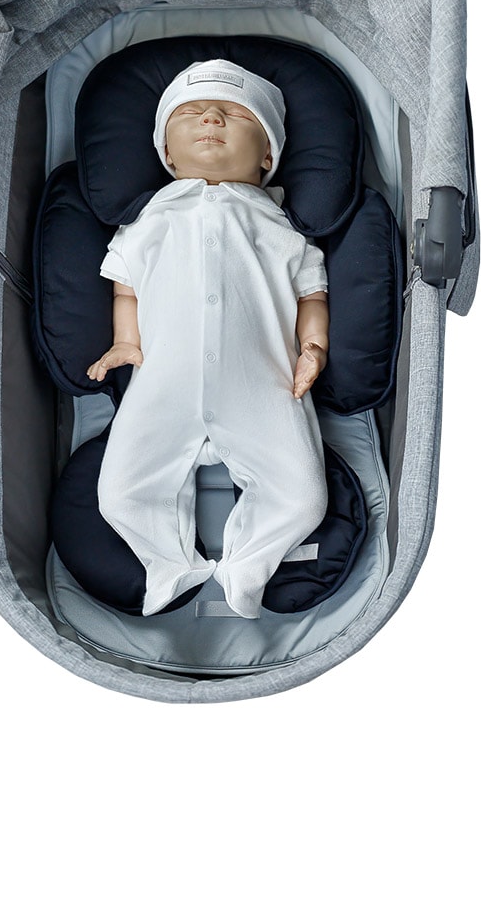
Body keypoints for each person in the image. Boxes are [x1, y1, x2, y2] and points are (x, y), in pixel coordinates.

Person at [85, 59, 330, 618]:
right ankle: (169, 566)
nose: (212, 117)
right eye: (191, 113)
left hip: (264, 385)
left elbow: (312, 298)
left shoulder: (283, 228)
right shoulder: (148, 221)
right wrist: (125, 342)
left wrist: (313, 349)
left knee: (303, 498)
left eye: (236, 115)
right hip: (161, 385)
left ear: (267, 156)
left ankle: (247, 568)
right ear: (168, 155)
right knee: (119, 494)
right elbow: (126, 289)